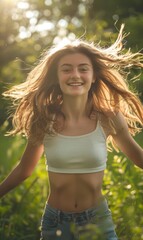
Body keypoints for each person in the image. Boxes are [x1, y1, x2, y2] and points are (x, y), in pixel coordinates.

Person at [0, 24, 143, 240]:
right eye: (66, 69)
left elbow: (139, 158)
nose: (75, 75)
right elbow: (24, 169)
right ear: (57, 77)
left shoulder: (109, 118)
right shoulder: (44, 119)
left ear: (93, 76)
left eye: (83, 68)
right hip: (55, 222)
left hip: (97, 221)